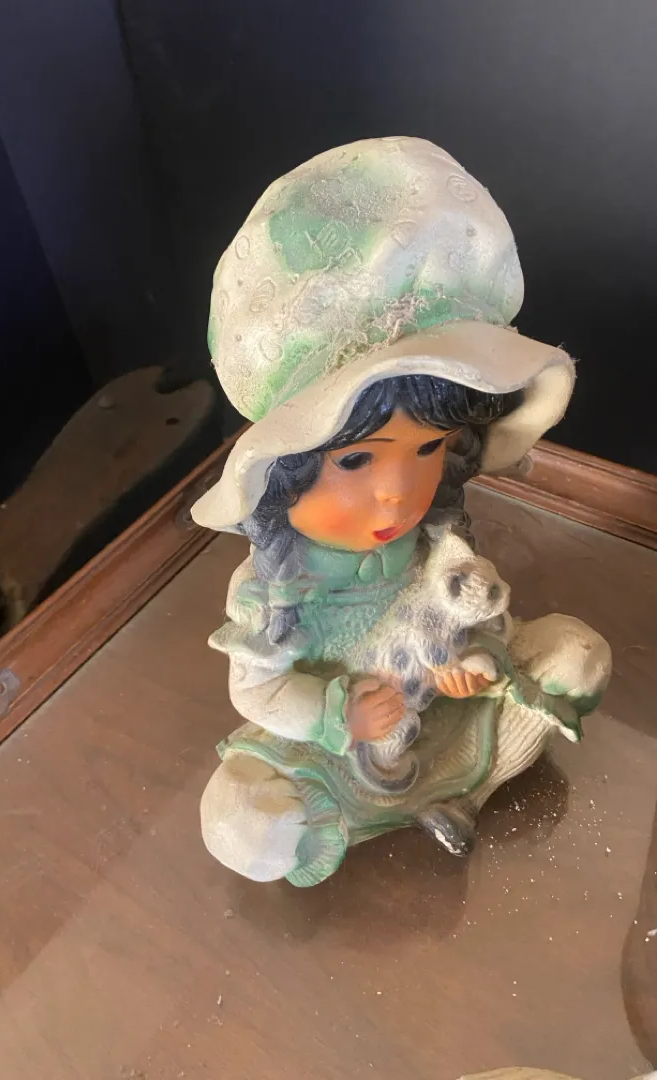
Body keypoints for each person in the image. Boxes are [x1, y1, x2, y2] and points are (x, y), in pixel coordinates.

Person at [192, 137, 611, 886]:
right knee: (244, 824)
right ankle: (386, 804)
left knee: (578, 656)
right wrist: (338, 716)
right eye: (356, 460)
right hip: (342, 740)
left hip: (442, 716)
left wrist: (475, 663)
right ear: (287, 470)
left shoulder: (436, 539)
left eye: (427, 451)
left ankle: (467, 795)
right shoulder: (273, 590)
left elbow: (475, 616)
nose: (397, 492)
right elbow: (255, 689)